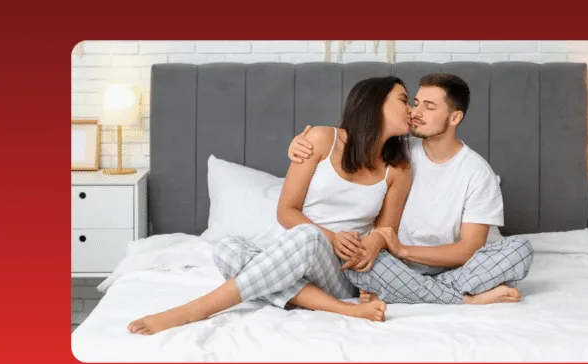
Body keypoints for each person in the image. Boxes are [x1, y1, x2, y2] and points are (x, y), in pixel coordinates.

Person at [128, 76, 414, 335]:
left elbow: (386, 231)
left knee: (307, 236)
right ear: (374, 103)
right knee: (228, 249)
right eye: (403, 99)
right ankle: (343, 310)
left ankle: (195, 310)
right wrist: (332, 236)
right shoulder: (320, 140)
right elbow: (286, 211)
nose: (411, 110)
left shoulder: (399, 168)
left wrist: (367, 244)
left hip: (340, 271)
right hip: (295, 250)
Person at [287, 73, 534, 306]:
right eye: (415, 103)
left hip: (444, 266)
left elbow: (469, 249)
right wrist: (299, 144)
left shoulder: (478, 173)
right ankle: (464, 298)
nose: (415, 112)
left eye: (429, 106)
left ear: (455, 118)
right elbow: (349, 143)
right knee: (361, 263)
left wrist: (403, 249)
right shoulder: (395, 150)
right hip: (387, 264)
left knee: (520, 251)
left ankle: (420, 291)